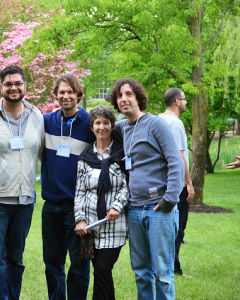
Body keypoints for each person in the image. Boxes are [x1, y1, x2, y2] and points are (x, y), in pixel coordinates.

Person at [108, 78, 183, 300]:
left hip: (159, 209)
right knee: (141, 271)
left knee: (163, 272)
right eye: (120, 96)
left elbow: (175, 162)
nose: (124, 99)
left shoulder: (156, 124)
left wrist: (169, 199)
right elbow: (98, 124)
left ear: (138, 97)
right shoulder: (121, 128)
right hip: (134, 209)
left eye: (129, 94)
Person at [0, 65, 44, 299]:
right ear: (1, 87)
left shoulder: (37, 116)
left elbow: (44, 152)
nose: (13, 88)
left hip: (25, 197)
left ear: (25, 85)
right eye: (8, 84)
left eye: (18, 83)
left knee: (16, 258)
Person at [41, 73, 95, 299]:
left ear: (79, 95)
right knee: (52, 262)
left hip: (80, 208)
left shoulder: (91, 123)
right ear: (55, 95)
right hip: (50, 207)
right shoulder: (45, 121)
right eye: (61, 92)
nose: (65, 96)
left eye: (70, 92)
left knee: (81, 262)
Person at [74, 105, 129, 300]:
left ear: (113, 126)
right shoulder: (85, 158)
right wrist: (80, 220)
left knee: (103, 268)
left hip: (115, 224)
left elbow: (127, 185)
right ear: (92, 127)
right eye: (97, 123)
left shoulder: (122, 154)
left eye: (106, 123)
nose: (102, 127)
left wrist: (117, 206)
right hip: (90, 227)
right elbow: (79, 192)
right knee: (99, 272)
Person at [159, 88, 195, 277]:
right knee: (177, 228)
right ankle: (174, 268)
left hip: (161, 182)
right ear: (176, 101)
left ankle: (169, 266)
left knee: (165, 228)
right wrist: (188, 183)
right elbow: (180, 154)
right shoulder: (176, 123)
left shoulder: (158, 120)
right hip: (176, 184)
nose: (186, 102)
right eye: (184, 99)